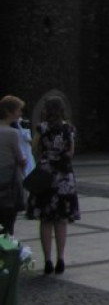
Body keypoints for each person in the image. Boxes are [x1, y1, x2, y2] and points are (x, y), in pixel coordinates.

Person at [26, 96, 81, 275]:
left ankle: (48, 260)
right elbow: (71, 152)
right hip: (64, 176)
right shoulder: (69, 128)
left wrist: (46, 154)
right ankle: (61, 259)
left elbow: (33, 148)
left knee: (45, 219)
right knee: (62, 219)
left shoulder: (42, 127)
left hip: (45, 175)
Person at [0, 96, 28, 235]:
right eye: (18, 110)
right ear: (9, 112)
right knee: (8, 224)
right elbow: (20, 158)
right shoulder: (12, 133)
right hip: (8, 184)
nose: (20, 114)